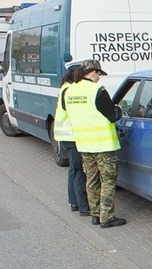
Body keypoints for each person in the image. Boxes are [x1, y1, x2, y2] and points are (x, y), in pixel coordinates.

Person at [65, 59, 126, 228]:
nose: (100, 78)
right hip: (103, 144)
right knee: (108, 180)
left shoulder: (70, 90)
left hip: (84, 144)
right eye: (99, 74)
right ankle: (107, 217)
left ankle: (95, 214)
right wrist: (118, 109)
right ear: (93, 72)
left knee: (91, 179)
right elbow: (112, 115)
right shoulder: (96, 89)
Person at [54, 61, 89, 217]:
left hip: (66, 135)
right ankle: (83, 206)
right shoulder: (71, 90)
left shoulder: (64, 88)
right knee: (78, 171)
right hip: (73, 135)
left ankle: (74, 202)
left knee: (73, 170)